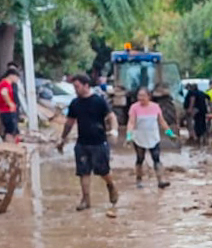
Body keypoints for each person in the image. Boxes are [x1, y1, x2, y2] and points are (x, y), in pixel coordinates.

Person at [58, 72, 119, 211]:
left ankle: (111, 185)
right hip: (82, 143)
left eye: (77, 86)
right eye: (74, 87)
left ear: (86, 86)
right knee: (83, 172)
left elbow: (111, 116)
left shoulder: (99, 101)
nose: (75, 89)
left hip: (99, 142)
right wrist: (62, 139)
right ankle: (86, 200)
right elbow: (69, 123)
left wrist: (114, 131)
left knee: (103, 171)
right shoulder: (75, 103)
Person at [126, 86, 175, 188]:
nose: (141, 98)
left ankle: (160, 180)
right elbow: (131, 122)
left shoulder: (156, 107)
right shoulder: (134, 107)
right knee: (140, 159)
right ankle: (139, 180)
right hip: (139, 137)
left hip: (153, 137)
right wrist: (129, 135)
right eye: (139, 95)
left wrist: (170, 133)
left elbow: (161, 121)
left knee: (156, 158)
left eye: (143, 96)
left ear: (149, 96)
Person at [0, 66, 19, 141]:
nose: (17, 80)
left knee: (12, 129)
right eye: (16, 77)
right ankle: (10, 146)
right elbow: (3, 93)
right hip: (7, 111)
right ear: (11, 75)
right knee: (10, 130)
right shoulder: (5, 83)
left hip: (8, 110)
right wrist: (10, 104)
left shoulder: (8, 84)